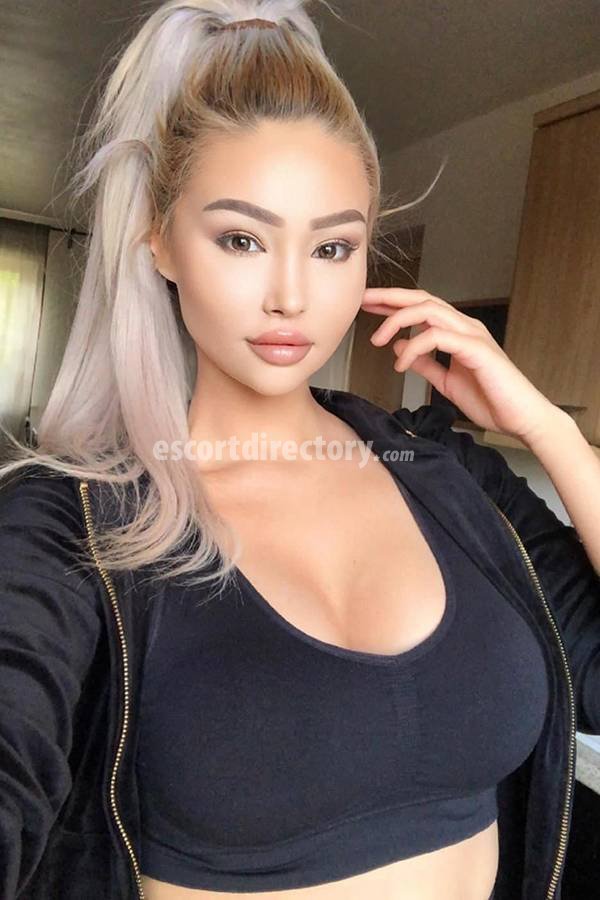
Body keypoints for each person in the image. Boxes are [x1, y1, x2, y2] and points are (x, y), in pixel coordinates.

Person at [1, 2, 599, 899]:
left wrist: (549, 430)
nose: (290, 295)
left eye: (332, 247)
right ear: (158, 240)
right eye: (241, 239)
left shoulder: (447, 477)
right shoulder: (70, 520)